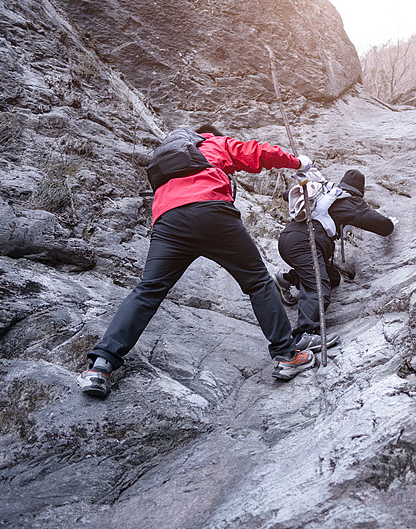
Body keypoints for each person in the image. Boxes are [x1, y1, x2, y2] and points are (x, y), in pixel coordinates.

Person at [77, 124, 318, 398]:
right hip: (213, 212)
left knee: (147, 291)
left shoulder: (168, 159)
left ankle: (100, 366)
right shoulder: (212, 143)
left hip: (169, 221)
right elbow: (256, 153)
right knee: (258, 283)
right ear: (209, 136)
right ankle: (287, 355)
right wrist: (297, 162)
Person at [274, 169, 396, 351]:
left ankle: (286, 280)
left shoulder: (324, 192)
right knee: (318, 286)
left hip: (287, 239)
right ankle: (305, 334)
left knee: (332, 278)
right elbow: (384, 227)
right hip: (306, 244)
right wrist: (391, 223)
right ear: (359, 191)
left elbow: (287, 195)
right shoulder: (353, 202)